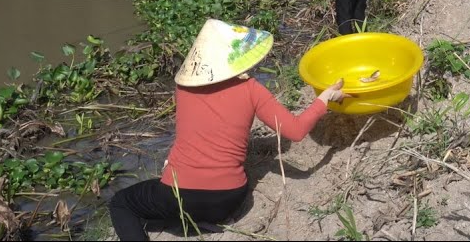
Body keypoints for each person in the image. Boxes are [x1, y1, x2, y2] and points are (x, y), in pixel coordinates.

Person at [107, 19, 347, 241]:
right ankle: (203, 221)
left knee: (121, 203)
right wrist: (324, 98)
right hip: (229, 200)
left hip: (179, 198)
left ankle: (186, 221)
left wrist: (171, 163)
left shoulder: (182, 88)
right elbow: (295, 131)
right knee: (188, 201)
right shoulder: (252, 88)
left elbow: (190, 133)